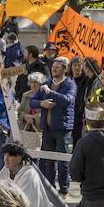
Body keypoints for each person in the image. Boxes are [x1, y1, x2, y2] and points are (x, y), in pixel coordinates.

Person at [34, 57, 77, 195]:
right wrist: (42, 104)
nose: (54, 69)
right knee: (47, 159)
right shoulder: (46, 83)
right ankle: (49, 186)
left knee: (62, 159)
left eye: (58, 67)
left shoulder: (70, 84)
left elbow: (68, 100)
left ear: (65, 69)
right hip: (47, 128)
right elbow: (32, 101)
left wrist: (50, 93)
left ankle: (64, 188)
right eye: (53, 67)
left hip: (62, 128)